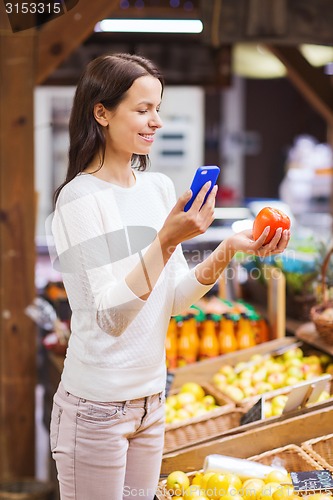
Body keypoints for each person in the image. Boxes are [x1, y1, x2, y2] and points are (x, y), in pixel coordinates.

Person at [48, 53, 290, 500]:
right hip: (96, 409)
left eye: (158, 108)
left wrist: (227, 249)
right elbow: (110, 317)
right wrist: (164, 241)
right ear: (101, 112)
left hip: (151, 403)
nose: (155, 121)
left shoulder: (157, 188)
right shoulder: (79, 200)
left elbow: (175, 300)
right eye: (142, 110)